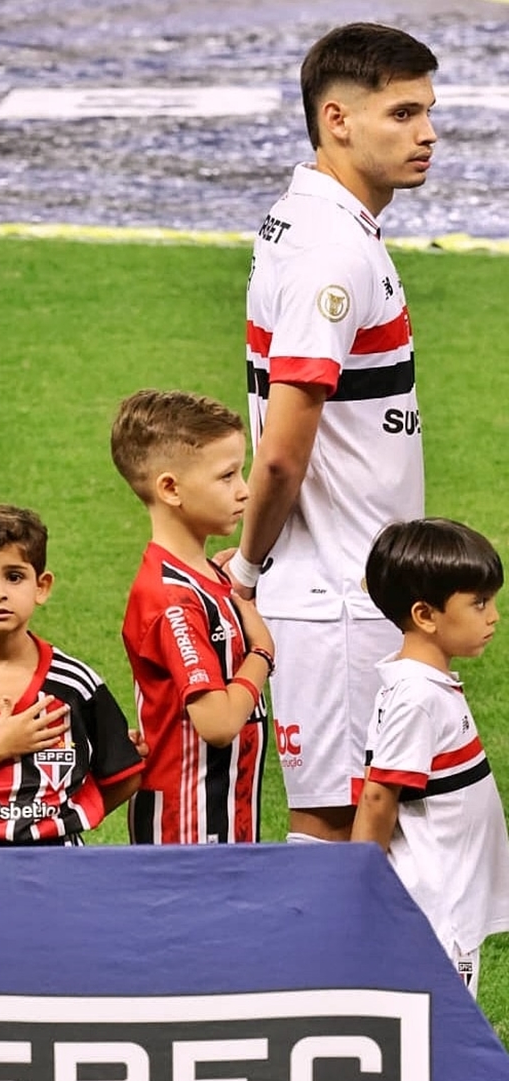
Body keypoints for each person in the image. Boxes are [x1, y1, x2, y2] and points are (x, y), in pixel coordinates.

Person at [226, 23, 438, 843]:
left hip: (350, 581)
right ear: (338, 119)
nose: (426, 134)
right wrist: (246, 571)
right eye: (403, 114)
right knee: (339, 828)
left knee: (370, 826)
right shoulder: (329, 251)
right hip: (340, 596)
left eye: (427, 113)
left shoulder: (311, 220)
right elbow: (282, 449)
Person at [0, 505, 142, 843]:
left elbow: (124, 773)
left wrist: (67, 817)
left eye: (14, 576)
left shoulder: (74, 684)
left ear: (41, 586)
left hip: (57, 863)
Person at [351, 518, 509, 996]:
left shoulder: (425, 687)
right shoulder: (418, 697)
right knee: (443, 1028)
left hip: (451, 896)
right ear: (425, 615)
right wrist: (358, 882)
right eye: (479, 603)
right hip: (439, 907)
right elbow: (379, 797)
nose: (493, 616)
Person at [111, 388, 274, 844]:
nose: (244, 490)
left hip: (222, 820)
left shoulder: (203, 574)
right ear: (170, 488)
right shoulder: (172, 601)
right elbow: (218, 723)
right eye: (226, 476)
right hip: (187, 833)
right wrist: (261, 652)